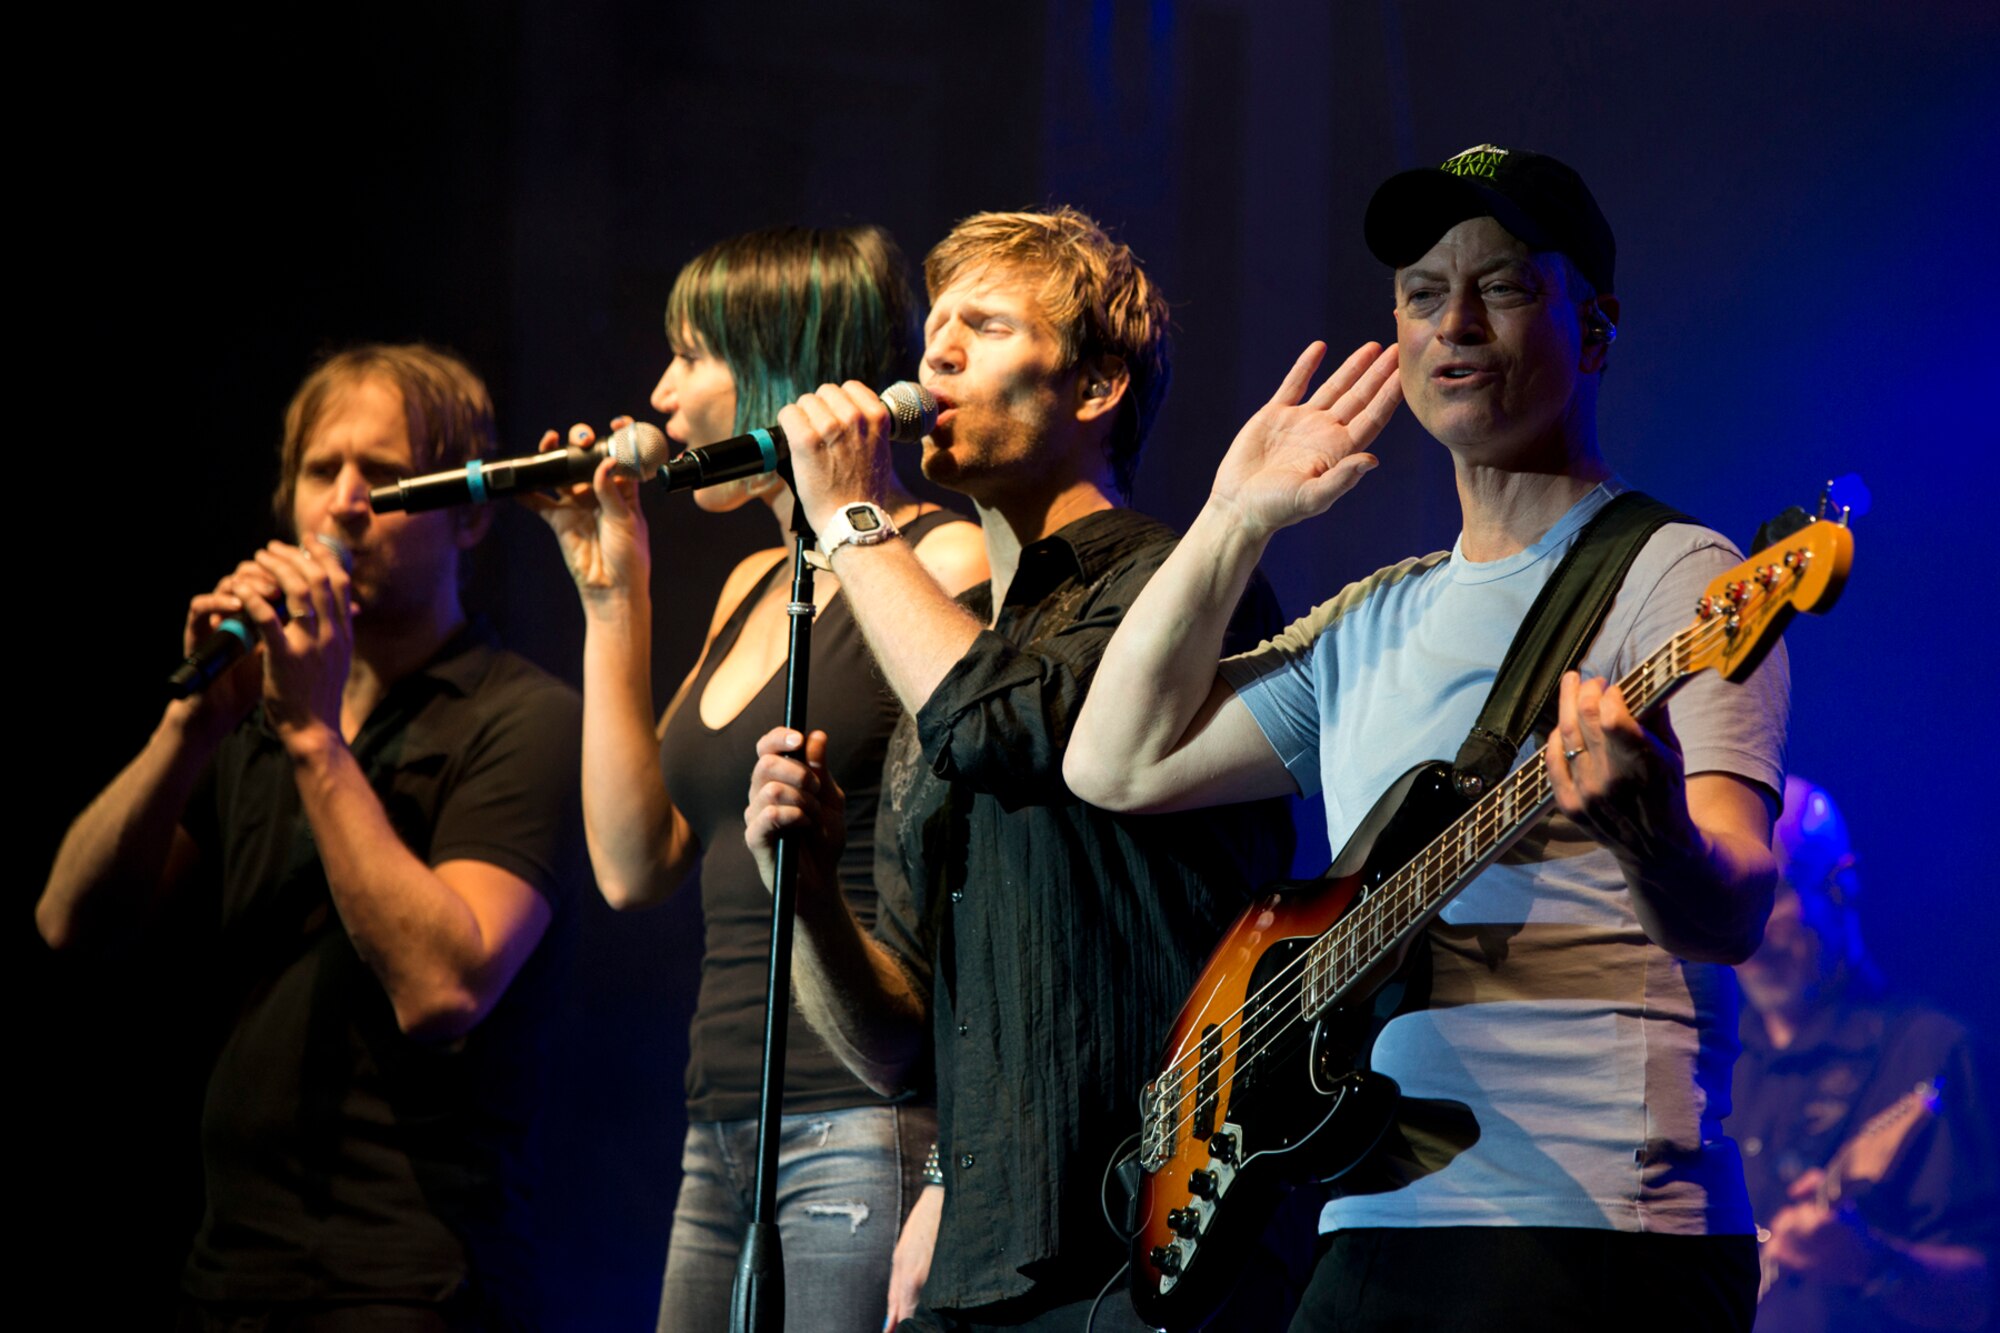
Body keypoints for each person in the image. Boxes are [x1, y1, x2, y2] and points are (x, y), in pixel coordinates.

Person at [1064, 144, 1791, 1330]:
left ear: (1593, 329)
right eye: (1419, 292)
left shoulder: (1681, 574)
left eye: (1501, 286)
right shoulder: (1370, 616)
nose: (1452, 321)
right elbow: (1113, 762)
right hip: (1369, 1218)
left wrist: (1648, 832)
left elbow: (1732, 911)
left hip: (1592, 1223)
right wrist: (1234, 518)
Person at [741, 207, 1295, 1331]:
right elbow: (898, 1043)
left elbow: (996, 718)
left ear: (1093, 389)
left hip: (1158, 1243)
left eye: (981, 326)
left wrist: (851, 516)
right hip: (988, 1257)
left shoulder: (1175, 586)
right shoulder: (949, 647)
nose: (933, 353)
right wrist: (802, 900)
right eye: (932, 325)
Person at [37, 344, 584, 1330]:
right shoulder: (260, 713)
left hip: (411, 1280)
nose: (342, 502)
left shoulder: (522, 717)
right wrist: (190, 726)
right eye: (318, 472)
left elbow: (443, 987)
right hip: (229, 1268)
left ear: (465, 515)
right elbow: (72, 920)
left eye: (380, 476)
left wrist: (312, 736)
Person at [532, 224, 987, 1333]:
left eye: (695, 355)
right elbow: (633, 864)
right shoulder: (751, 580)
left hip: (864, 1118)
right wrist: (611, 597)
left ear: (790, 366)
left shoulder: (945, 563)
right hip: (720, 1120)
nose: (662, 394)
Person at [1734, 775, 1996, 1332]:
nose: (1749, 932)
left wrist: (1871, 1263)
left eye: (1772, 895)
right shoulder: (1708, 1058)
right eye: (1734, 900)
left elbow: (1985, 1295)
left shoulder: (1932, 1051)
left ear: (1840, 884)